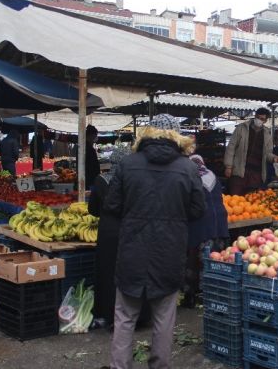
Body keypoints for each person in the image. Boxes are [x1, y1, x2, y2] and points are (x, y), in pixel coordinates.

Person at [105, 113, 206, 369]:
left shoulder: (128, 164)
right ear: (177, 135)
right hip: (169, 251)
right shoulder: (187, 168)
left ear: (147, 132)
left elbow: (112, 205)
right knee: (164, 317)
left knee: (125, 316)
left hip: (132, 249)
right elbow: (197, 210)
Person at [88, 145, 132, 328]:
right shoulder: (132, 181)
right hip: (129, 231)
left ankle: (106, 313)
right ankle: (129, 315)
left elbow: (93, 210)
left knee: (106, 272)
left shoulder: (101, 180)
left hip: (107, 232)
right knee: (127, 274)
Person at [183, 154, 229, 308]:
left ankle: (196, 295)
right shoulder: (212, 175)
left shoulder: (191, 177)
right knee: (214, 259)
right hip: (219, 222)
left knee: (196, 260)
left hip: (201, 223)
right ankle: (214, 294)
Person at [224, 108, 278, 195]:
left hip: (256, 173)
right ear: (255, 116)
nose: (259, 120)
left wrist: (274, 158)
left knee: (251, 199)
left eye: (262, 119)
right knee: (235, 198)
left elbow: (268, 153)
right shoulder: (241, 128)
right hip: (240, 170)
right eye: (258, 117)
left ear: (265, 121)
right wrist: (228, 166)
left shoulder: (267, 134)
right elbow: (231, 147)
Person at [85, 125, 101, 190]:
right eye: (95, 135)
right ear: (90, 135)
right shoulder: (88, 148)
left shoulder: (88, 146)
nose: (96, 137)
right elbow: (91, 165)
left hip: (90, 178)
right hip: (90, 179)